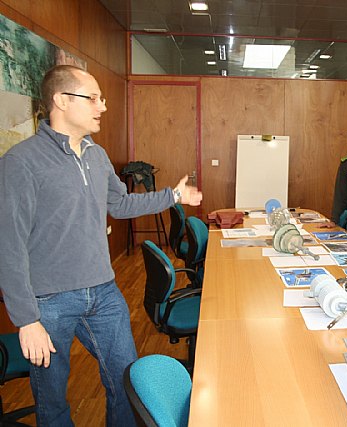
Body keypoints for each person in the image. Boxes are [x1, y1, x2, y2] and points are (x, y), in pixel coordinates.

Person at [0, 65, 203, 426]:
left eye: (101, 98)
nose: (102, 106)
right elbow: (9, 245)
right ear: (61, 101)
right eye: (92, 98)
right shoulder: (21, 163)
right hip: (49, 302)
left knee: (126, 381)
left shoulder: (96, 154)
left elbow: (121, 204)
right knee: (52, 398)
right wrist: (26, 319)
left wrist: (173, 195)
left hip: (103, 292)